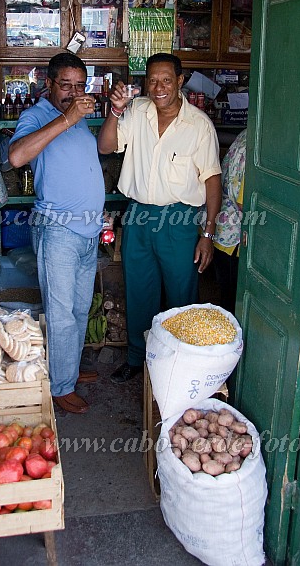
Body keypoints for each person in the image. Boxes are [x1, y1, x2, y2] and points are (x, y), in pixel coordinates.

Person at [98, 53, 222, 383]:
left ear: (180, 81)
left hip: (180, 220)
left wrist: (207, 234)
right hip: (139, 215)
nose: (159, 87)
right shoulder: (136, 111)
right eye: (152, 80)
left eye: (166, 79)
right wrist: (115, 111)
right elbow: (106, 146)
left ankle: (181, 363)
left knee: (181, 292)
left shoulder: (198, 125)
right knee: (139, 290)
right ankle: (139, 358)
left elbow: (212, 178)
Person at [9, 53, 105, 414]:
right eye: (66, 85)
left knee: (80, 310)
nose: (74, 92)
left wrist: (81, 117)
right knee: (61, 313)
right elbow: (16, 156)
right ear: (48, 84)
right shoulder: (36, 116)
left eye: (80, 86)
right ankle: (60, 386)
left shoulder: (79, 118)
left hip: (88, 230)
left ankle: (69, 369)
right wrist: (68, 117)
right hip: (58, 231)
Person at [212, 128, 247, 315]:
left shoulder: (245, 134)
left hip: (223, 232)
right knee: (233, 304)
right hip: (233, 238)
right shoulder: (258, 148)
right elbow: (243, 202)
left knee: (227, 298)